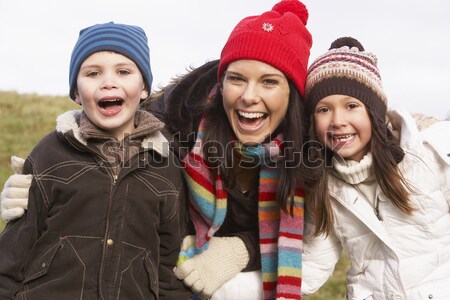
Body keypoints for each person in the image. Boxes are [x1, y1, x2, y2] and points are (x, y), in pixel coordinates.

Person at [1, 1, 313, 299]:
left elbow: (317, 246)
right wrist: (35, 185)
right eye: (237, 79)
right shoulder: (176, 130)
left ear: (293, 95)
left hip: (222, 272)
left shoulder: (315, 150)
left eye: (270, 82)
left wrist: (242, 248)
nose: (249, 96)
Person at [0, 22, 191, 300]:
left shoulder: (166, 165)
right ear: (76, 92)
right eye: (93, 73)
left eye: (124, 71)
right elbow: (12, 252)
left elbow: (168, 264)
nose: (108, 82)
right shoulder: (50, 152)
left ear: (145, 88)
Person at [301, 37, 450, 299]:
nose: (337, 121)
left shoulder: (427, 154)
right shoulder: (324, 185)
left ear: (374, 112)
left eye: (351, 106)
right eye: (324, 109)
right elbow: (312, 264)